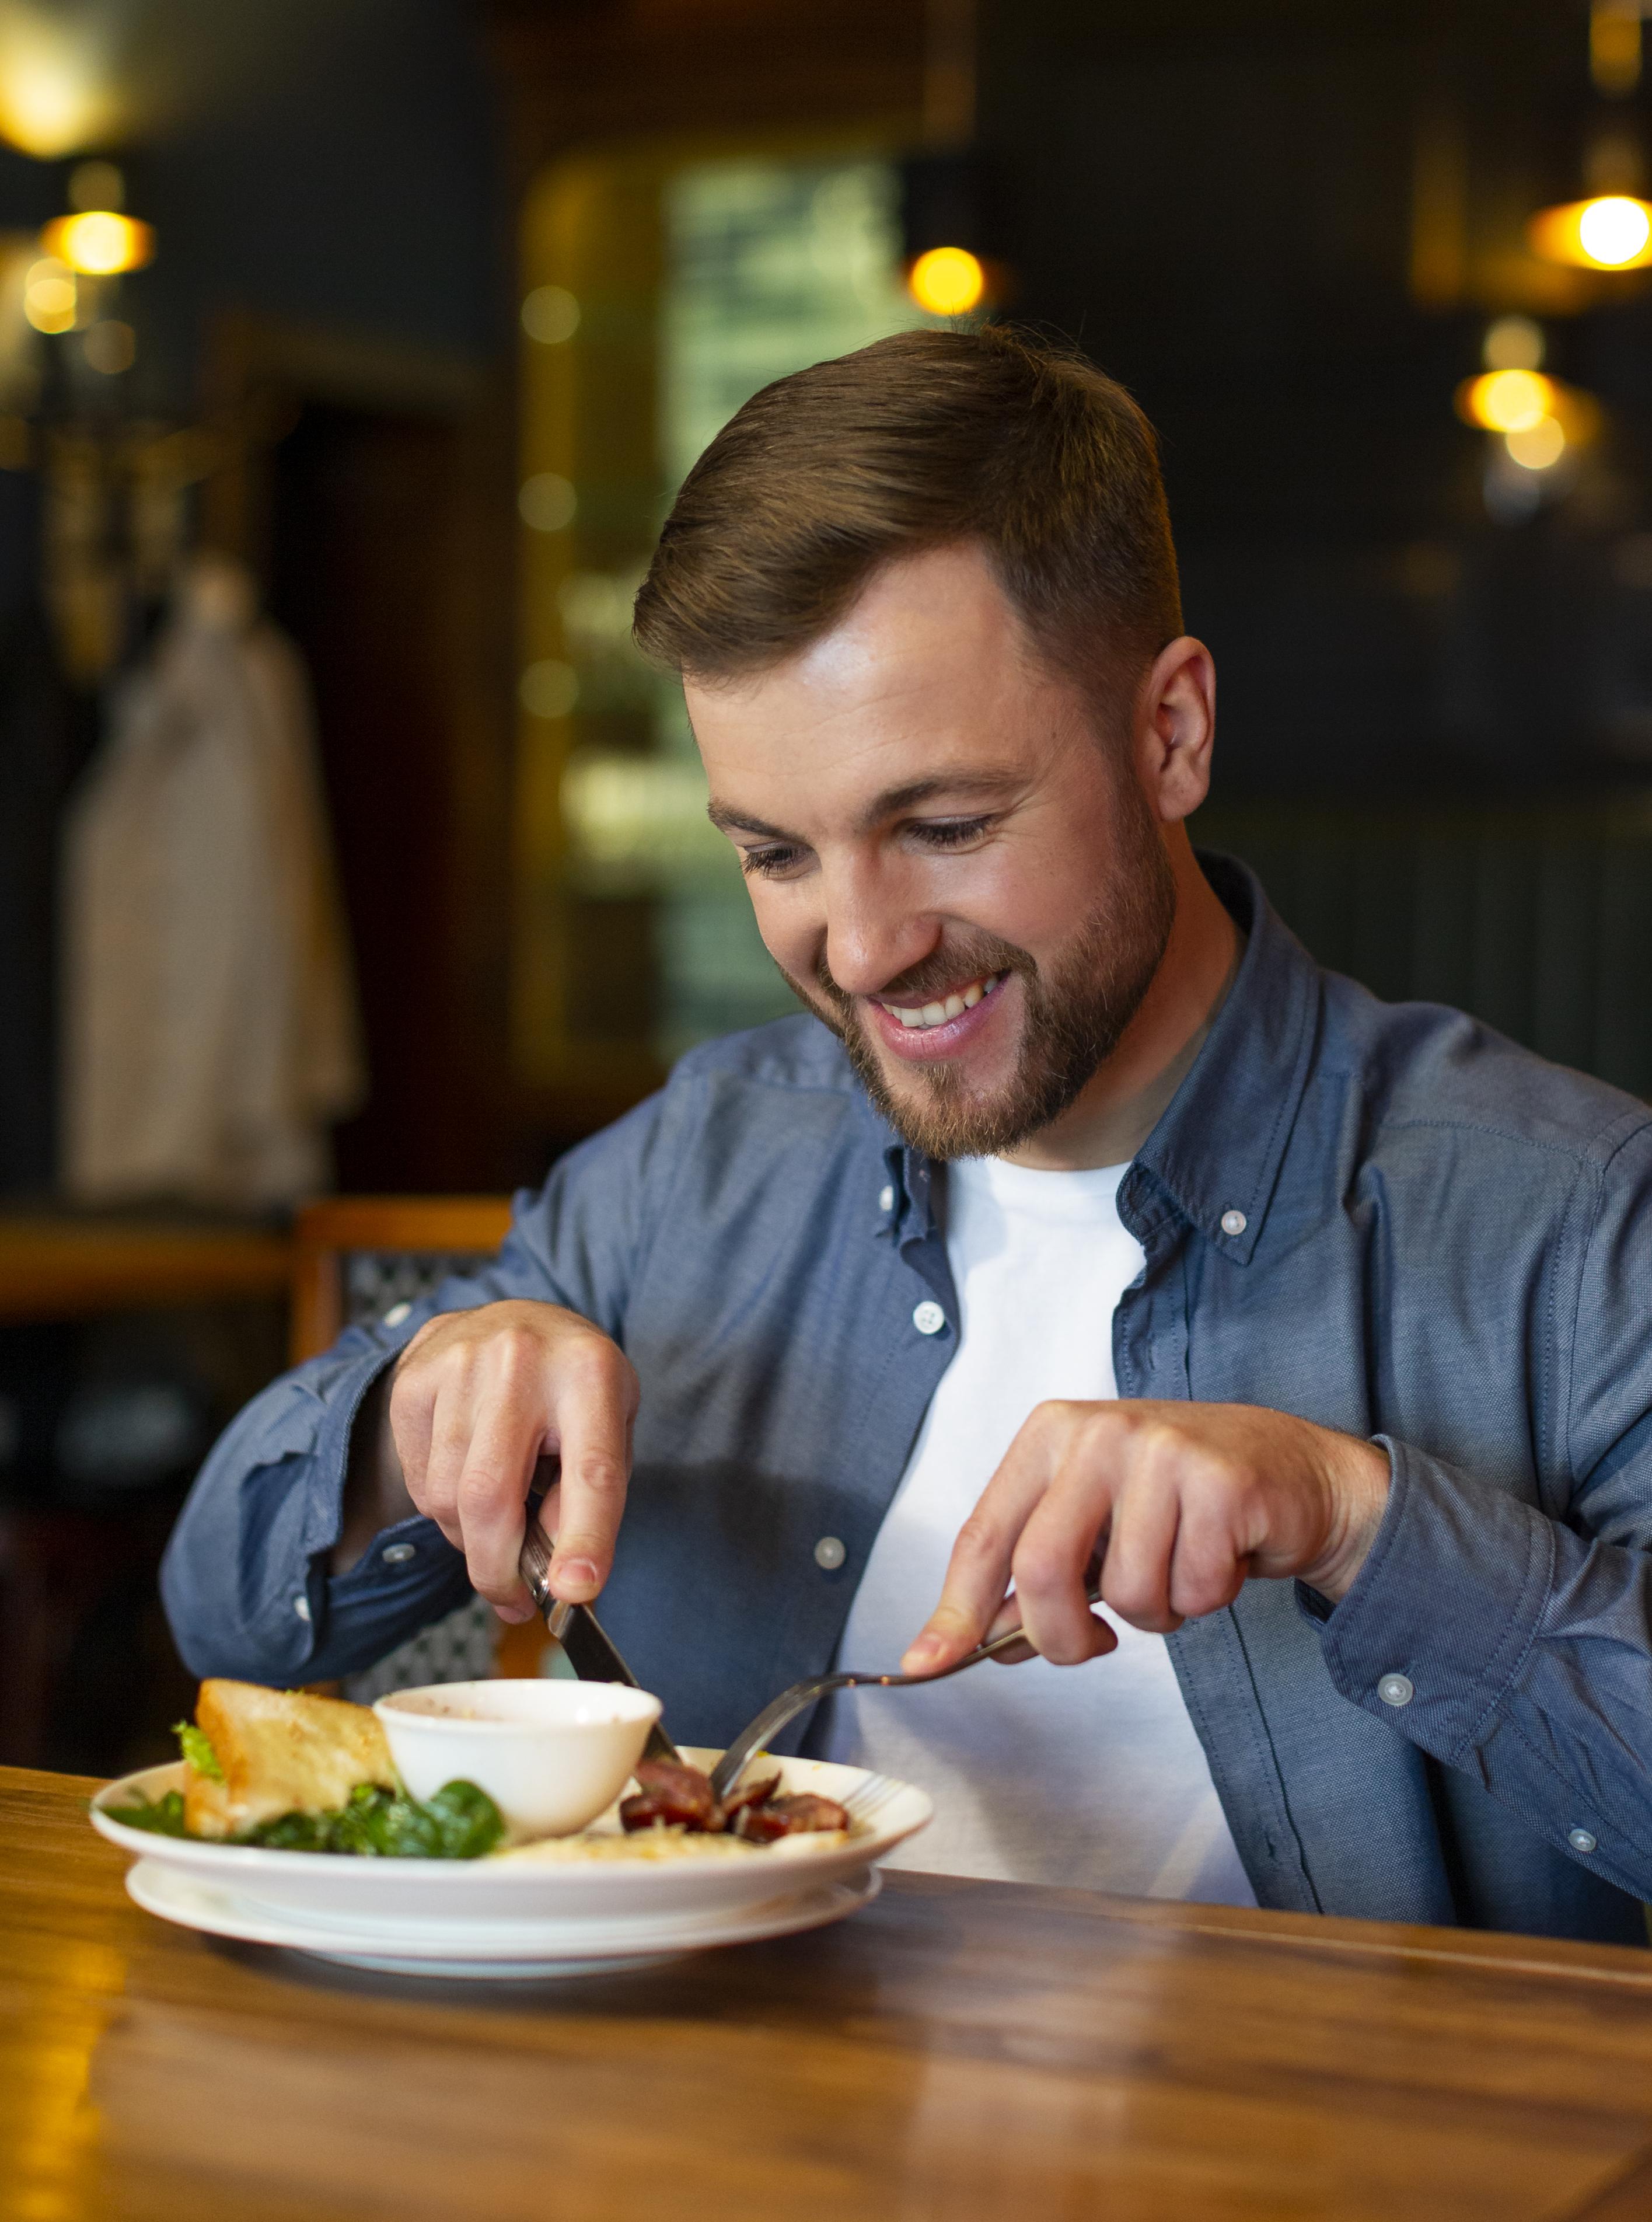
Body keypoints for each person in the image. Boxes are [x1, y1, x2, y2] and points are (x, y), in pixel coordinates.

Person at [165, 327, 1652, 1941]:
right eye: (776, 855)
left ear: (1171, 734)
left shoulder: (1568, 1223)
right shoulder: (701, 1166)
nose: (862, 951)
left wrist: (1354, 1514)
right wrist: (404, 1429)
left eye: (941, 828)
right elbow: (225, 1604)